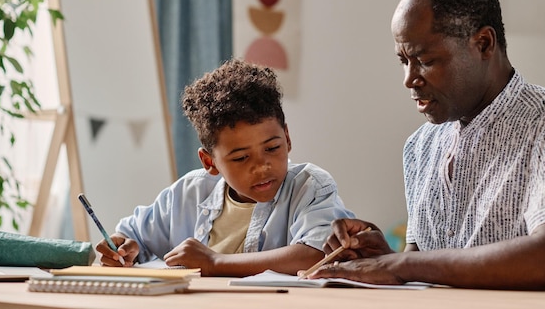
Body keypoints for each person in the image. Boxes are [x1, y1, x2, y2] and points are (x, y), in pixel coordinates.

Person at [305, 0, 545, 292]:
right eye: (403, 61)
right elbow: (426, 265)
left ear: (483, 43)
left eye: (424, 59)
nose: (409, 79)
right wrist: (382, 257)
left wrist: (399, 265)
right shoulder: (419, 146)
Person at [96, 58, 354, 276]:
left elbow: (317, 253)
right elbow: (134, 235)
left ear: (287, 138)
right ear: (210, 162)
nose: (262, 166)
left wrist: (215, 262)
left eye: (272, 148)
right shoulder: (188, 193)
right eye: (241, 158)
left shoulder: (309, 187)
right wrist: (122, 247)